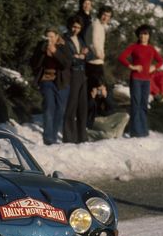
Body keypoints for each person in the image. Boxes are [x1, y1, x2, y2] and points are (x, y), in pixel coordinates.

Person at [118, 24, 163, 138]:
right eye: (141, 34)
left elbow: (160, 61)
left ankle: (143, 131)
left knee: (143, 104)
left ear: (149, 36)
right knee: (136, 104)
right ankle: (135, 132)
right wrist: (132, 66)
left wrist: (154, 67)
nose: (143, 36)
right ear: (138, 35)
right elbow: (122, 57)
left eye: (146, 34)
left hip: (146, 80)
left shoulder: (151, 49)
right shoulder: (134, 47)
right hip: (136, 79)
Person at [32, 27, 71, 145]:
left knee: (60, 109)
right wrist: (43, 51)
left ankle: (54, 135)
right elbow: (34, 63)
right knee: (49, 107)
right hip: (46, 80)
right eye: (47, 36)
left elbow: (66, 64)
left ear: (57, 36)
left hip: (61, 81)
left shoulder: (64, 46)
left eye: (52, 37)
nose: (49, 39)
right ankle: (48, 138)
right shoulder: (41, 46)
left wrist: (55, 52)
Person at [63, 16, 91, 144]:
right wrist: (79, 57)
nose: (76, 30)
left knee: (82, 106)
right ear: (70, 26)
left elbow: (88, 54)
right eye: (74, 26)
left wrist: (83, 54)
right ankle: (69, 137)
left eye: (78, 27)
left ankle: (82, 137)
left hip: (82, 74)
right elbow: (67, 58)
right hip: (72, 74)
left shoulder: (80, 39)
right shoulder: (64, 39)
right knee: (71, 106)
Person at [86, 77, 130, 141]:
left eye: (101, 89)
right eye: (98, 89)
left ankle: (114, 135)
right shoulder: (89, 93)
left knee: (125, 116)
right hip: (95, 119)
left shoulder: (108, 91)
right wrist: (92, 99)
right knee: (108, 132)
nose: (99, 92)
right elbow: (88, 111)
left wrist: (106, 97)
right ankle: (89, 133)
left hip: (107, 118)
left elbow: (112, 108)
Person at [85, 5, 113, 82]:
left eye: (108, 16)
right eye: (104, 14)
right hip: (94, 62)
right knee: (97, 88)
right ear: (100, 14)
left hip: (96, 61)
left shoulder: (100, 26)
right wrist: (99, 54)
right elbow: (94, 42)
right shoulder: (96, 25)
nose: (105, 18)